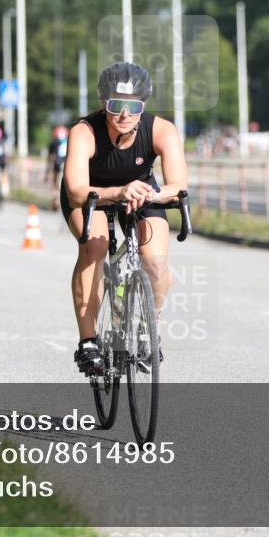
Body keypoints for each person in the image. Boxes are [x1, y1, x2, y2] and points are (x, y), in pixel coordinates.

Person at [61, 62, 188, 375]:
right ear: (104, 103)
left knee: (155, 261)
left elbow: (178, 186)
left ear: (143, 106)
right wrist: (118, 191)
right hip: (93, 195)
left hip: (142, 192)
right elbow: (76, 191)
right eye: (116, 105)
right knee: (94, 249)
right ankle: (88, 341)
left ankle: (150, 326)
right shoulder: (84, 131)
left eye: (133, 107)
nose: (124, 115)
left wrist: (152, 196)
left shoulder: (161, 130)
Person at [47, 125, 69, 191]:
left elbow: (51, 157)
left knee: (55, 180)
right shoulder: (69, 142)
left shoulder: (54, 143)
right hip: (67, 164)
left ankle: (55, 197)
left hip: (57, 163)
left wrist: (47, 171)